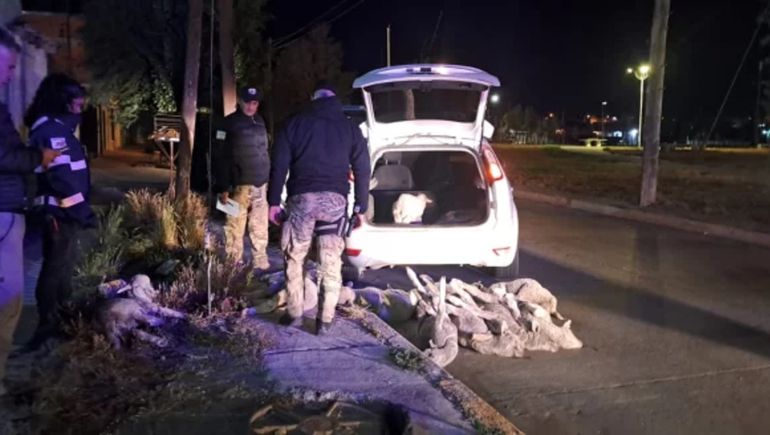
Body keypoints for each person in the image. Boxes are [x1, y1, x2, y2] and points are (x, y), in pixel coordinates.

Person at [267, 82, 370, 335]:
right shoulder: (350, 127)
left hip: (302, 200)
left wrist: (272, 202)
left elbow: (279, 165)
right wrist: (360, 206)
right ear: (335, 98)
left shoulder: (294, 123)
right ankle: (324, 320)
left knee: (295, 257)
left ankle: (294, 315)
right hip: (335, 203)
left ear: (312, 98)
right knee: (330, 263)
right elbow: (363, 168)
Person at [0, 29, 60, 385]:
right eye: (8, 67)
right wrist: (39, 157)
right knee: (8, 304)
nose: (10, 75)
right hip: (5, 214)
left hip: (9, 211)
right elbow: (5, 155)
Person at [23, 73, 96, 350]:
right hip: (60, 213)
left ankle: (62, 324)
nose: (80, 111)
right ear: (63, 103)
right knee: (56, 269)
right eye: (77, 105)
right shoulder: (51, 132)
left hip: (66, 213)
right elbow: (62, 177)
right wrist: (80, 210)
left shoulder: (56, 129)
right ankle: (48, 329)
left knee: (63, 268)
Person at [213, 86, 271, 271]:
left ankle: (260, 263)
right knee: (234, 227)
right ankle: (232, 267)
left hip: (260, 184)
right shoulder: (227, 123)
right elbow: (219, 156)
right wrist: (222, 186)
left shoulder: (260, 121)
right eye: (247, 102)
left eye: (254, 103)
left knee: (260, 227)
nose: (251, 106)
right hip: (237, 186)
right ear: (240, 101)